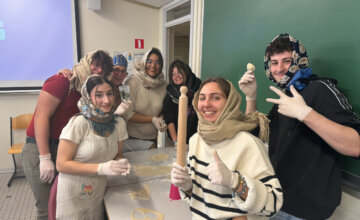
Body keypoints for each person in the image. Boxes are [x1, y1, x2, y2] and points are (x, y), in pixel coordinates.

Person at [238, 33, 360, 220]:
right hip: (278, 199)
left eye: (286, 61)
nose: (279, 69)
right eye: (274, 62)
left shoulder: (322, 89)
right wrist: (250, 98)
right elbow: (258, 134)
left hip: (307, 210)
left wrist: (306, 114)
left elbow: (356, 146)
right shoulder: (285, 95)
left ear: (299, 60)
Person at [171, 77, 283, 220]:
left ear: (230, 102)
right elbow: (201, 199)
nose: (206, 104)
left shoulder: (248, 143)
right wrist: (187, 186)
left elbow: (273, 203)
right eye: (202, 98)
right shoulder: (196, 140)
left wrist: (235, 181)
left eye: (215, 98)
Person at [22, 50, 113, 220]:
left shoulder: (89, 91)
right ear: (86, 62)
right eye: (96, 64)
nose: (99, 70)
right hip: (40, 147)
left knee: (62, 204)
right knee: (46, 208)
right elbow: (41, 117)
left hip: (65, 149)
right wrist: (44, 157)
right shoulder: (63, 81)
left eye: (103, 68)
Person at [54, 75, 130, 219]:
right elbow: (61, 164)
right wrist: (101, 168)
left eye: (109, 94)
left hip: (97, 191)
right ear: (88, 97)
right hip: (73, 193)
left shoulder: (118, 124)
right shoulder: (78, 124)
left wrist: (120, 162)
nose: (106, 100)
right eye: (99, 95)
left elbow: (117, 154)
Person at [122, 47, 167, 146]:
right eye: (149, 61)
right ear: (144, 62)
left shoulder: (163, 85)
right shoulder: (130, 82)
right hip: (131, 138)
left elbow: (163, 110)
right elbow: (127, 114)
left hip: (153, 138)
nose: (153, 66)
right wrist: (152, 119)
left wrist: (161, 120)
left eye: (157, 62)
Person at [163, 60, 201, 145]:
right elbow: (169, 120)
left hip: (199, 139)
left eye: (179, 72)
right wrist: (177, 142)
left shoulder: (199, 89)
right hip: (179, 139)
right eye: (173, 74)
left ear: (186, 72)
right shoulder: (170, 94)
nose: (176, 76)